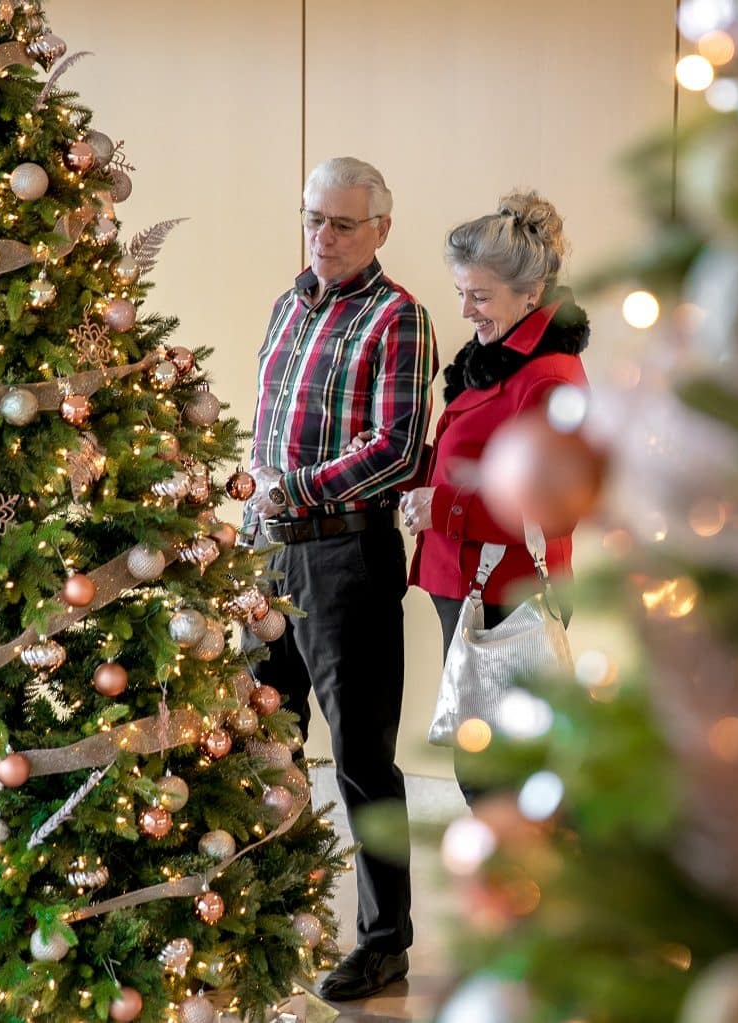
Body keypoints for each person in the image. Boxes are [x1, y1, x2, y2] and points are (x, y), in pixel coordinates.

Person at [241, 156, 438, 1001]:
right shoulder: (289, 304)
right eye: (314, 218)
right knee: (264, 736)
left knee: (361, 757)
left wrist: (296, 489)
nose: (322, 236)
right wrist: (253, 505)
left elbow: (394, 449)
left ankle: (385, 941)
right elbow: (267, 426)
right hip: (269, 551)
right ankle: (276, 906)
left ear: (381, 230)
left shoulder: (401, 317)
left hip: (345, 557)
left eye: (342, 224)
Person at [398, 191, 589, 800]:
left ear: (530, 293)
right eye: (461, 293)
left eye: (478, 297)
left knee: (495, 774)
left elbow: (557, 507)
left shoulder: (549, 377)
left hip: (508, 590)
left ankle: (520, 886)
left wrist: (443, 509)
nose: (465, 311)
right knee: (482, 761)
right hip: (468, 581)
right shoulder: (498, 356)